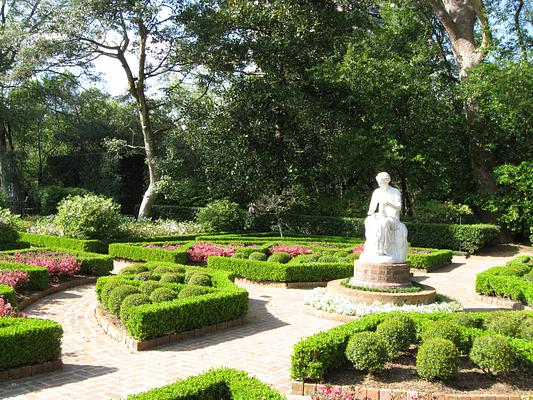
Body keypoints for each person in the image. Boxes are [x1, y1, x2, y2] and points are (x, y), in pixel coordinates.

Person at [360, 172, 408, 263]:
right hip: (381, 215)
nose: (380, 183)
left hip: (393, 217)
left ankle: (383, 250)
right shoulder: (377, 192)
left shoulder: (395, 191)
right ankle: (372, 248)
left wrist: (389, 203)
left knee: (383, 223)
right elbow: (371, 209)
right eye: (379, 182)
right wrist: (372, 215)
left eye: (381, 181)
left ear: (386, 181)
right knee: (369, 220)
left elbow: (399, 208)